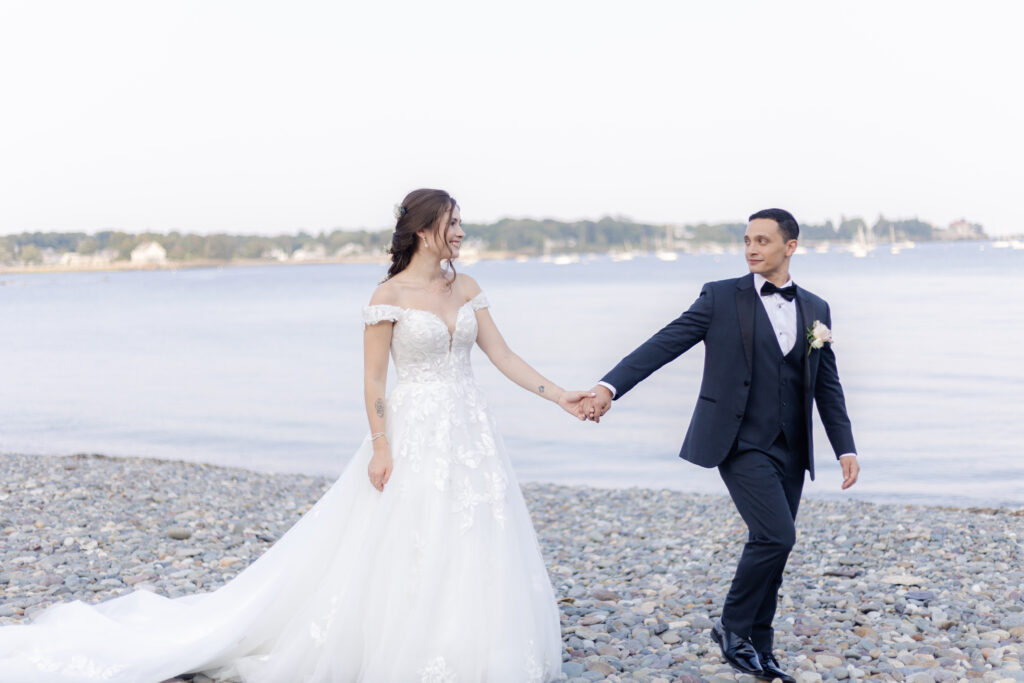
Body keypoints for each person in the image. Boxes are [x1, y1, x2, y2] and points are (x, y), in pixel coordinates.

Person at [0, 188, 590, 682]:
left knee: (474, 534)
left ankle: (473, 647)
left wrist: (560, 395)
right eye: (452, 222)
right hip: (412, 432)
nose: (461, 231)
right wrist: (381, 444)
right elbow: (373, 380)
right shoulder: (387, 298)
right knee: (406, 540)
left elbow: (503, 356)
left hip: (471, 432)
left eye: (460, 222)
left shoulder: (466, 289)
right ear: (423, 230)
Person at [580, 209, 860, 683]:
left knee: (772, 546)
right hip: (738, 440)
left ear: (790, 247)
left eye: (763, 241)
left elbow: (826, 384)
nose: (752, 248)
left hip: (791, 447)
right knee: (777, 536)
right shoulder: (719, 297)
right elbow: (663, 344)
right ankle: (731, 628)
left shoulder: (816, 308)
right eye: (748, 239)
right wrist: (608, 388)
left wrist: (844, 447)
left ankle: (762, 648)